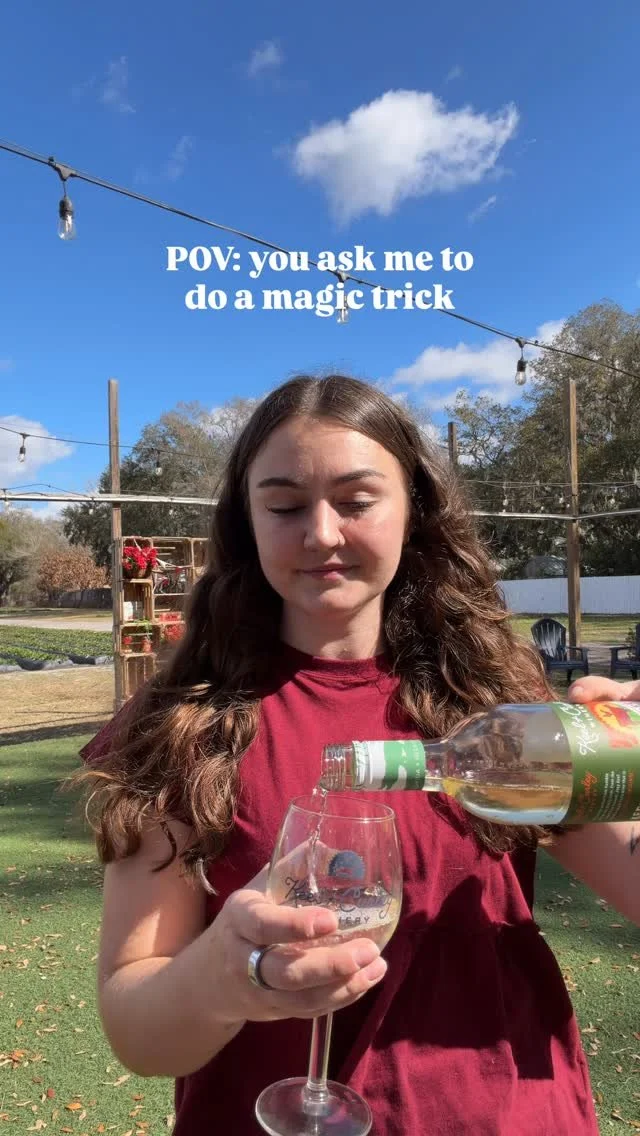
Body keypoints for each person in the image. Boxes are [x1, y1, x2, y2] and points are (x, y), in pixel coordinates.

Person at [72, 374, 640, 1136]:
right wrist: (224, 976)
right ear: (247, 522)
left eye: (356, 500)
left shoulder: (499, 700)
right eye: (284, 506)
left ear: (414, 511)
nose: (321, 533)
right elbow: (137, 1030)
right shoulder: (178, 726)